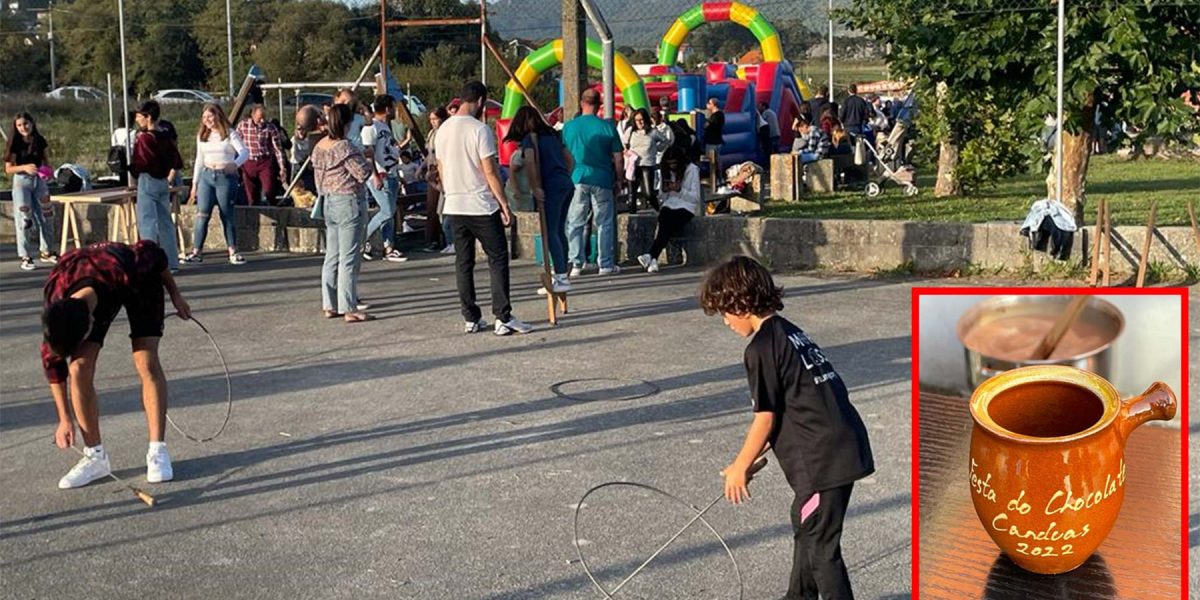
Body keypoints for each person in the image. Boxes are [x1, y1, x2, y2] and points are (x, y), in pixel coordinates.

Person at [700, 256, 874, 600]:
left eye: (724, 311)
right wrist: (749, 459)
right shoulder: (790, 333)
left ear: (741, 302)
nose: (725, 321)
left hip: (824, 462)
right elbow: (790, 407)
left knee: (822, 548)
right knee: (806, 526)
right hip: (839, 449)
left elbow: (765, 418)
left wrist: (738, 466)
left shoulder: (761, 349)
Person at [41, 240, 192, 489]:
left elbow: (156, 253)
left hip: (136, 283)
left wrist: (175, 294)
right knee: (79, 367)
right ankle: (95, 457)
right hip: (87, 284)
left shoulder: (130, 264)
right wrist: (64, 418)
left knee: (145, 360)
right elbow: (52, 362)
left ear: (90, 324)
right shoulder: (56, 298)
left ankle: (158, 450)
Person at [433, 81, 532, 336]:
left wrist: (449, 191)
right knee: (497, 257)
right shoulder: (480, 130)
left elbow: (441, 167)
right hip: (480, 203)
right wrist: (503, 203)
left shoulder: (443, 129)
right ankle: (503, 316)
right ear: (479, 101)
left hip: (454, 203)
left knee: (463, 261)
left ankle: (471, 317)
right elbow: (489, 170)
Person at [311, 103, 377, 323]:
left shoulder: (319, 146)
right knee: (349, 257)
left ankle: (329, 304)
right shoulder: (344, 147)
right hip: (347, 201)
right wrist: (367, 156)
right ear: (347, 124)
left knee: (332, 255)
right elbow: (362, 173)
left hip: (328, 201)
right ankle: (349, 308)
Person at [503, 105, 574, 293]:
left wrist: (536, 187)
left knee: (549, 231)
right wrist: (562, 176)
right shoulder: (553, 136)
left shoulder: (530, 140)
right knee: (559, 230)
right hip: (565, 184)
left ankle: (560, 275)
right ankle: (562, 274)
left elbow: (531, 163)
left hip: (551, 186)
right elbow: (570, 160)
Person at [562, 88, 624, 277]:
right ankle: (605, 263)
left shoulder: (569, 127)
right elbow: (619, 158)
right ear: (599, 106)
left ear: (582, 103)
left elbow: (563, 155)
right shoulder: (608, 127)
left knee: (575, 221)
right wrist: (619, 180)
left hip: (577, 177)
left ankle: (576, 263)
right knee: (604, 222)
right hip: (602, 178)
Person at [184, 103, 249, 265]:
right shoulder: (202, 136)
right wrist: (195, 183)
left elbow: (244, 152)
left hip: (224, 177)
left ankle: (233, 251)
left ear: (218, 115)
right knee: (202, 214)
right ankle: (197, 251)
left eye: (210, 116)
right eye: (204, 117)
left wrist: (235, 164)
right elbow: (199, 159)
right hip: (207, 175)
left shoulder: (229, 134)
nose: (207, 120)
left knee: (226, 213)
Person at [130, 101, 183, 273]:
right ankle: (172, 263)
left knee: (147, 223)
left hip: (148, 180)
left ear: (148, 117)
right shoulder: (165, 136)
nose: (137, 119)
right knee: (166, 223)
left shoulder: (145, 138)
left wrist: (131, 169)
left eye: (139, 116)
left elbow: (141, 163)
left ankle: (149, 263)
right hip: (163, 181)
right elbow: (177, 160)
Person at [4, 112, 59, 270]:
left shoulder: (39, 140)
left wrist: (48, 172)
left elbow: (46, 160)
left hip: (39, 181)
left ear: (32, 123)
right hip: (22, 182)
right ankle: (25, 255)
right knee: (25, 218)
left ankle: (47, 250)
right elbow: (8, 169)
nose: (23, 127)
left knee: (47, 215)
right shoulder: (14, 143)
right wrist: (24, 167)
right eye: (20, 125)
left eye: (26, 124)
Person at [636, 147, 699, 274]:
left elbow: (695, 197)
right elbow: (662, 197)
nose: (672, 167)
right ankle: (652, 259)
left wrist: (679, 189)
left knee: (666, 226)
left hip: (686, 206)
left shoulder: (692, 170)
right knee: (665, 220)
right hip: (669, 204)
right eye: (669, 164)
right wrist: (665, 191)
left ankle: (652, 256)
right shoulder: (665, 171)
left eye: (674, 164)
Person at [361, 95, 407, 263]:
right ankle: (363, 238)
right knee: (387, 210)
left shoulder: (385, 127)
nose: (395, 111)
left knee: (390, 212)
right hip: (379, 174)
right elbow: (368, 154)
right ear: (387, 109)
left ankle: (389, 247)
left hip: (392, 172)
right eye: (393, 107)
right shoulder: (370, 127)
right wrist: (374, 175)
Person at [236, 104, 287, 205]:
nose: (262, 121)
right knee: (251, 195)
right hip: (248, 162)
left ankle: (273, 206)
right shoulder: (243, 125)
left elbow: (277, 149)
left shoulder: (271, 128)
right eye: (260, 118)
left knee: (269, 190)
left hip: (265, 162)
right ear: (253, 115)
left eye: (264, 117)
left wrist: (282, 167)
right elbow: (235, 142)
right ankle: (253, 216)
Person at [626, 108, 673, 213]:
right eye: (637, 120)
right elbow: (624, 143)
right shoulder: (630, 131)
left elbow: (666, 141)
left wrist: (657, 149)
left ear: (646, 119)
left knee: (648, 193)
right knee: (631, 193)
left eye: (642, 119)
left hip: (647, 164)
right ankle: (632, 215)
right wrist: (627, 152)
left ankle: (659, 211)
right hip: (633, 164)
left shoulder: (653, 132)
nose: (640, 122)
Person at [423, 107, 452, 253]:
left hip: (439, 172)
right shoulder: (432, 133)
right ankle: (433, 239)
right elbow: (429, 154)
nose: (433, 122)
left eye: (435, 119)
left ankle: (441, 239)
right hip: (431, 170)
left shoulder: (445, 132)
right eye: (431, 119)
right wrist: (421, 168)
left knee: (439, 208)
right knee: (432, 208)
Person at [291, 105, 324, 196]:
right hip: (298, 163)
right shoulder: (295, 140)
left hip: (309, 164)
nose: (301, 132)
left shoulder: (312, 138)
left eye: (302, 129)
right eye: (299, 130)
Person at [701, 97, 725, 186]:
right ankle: (719, 178)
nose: (707, 105)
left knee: (712, 161)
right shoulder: (721, 114)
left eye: (709, 103)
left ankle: (715, 180)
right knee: (717, 160)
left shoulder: (715, 116)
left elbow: (706, 126)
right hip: (717, 141)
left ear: (713, 105)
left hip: (712, 141)